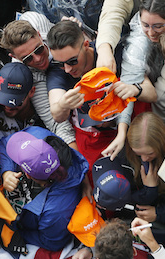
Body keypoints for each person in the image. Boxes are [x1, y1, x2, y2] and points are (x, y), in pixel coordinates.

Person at [47, 19, 141, 163]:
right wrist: (63, 105)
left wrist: (133, 89)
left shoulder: (109, 53)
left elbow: (149, 91)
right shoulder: (57, 72)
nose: (67, 69)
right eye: (60, 63)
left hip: (131, 121)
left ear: (86, 45)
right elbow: (56, 114)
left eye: (72, 61)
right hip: (95, 135)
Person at [0, 127, 87, 251]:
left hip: (36, 224)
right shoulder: (37, 136)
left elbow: (51, 242)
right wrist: (6, 172)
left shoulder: (56, 213)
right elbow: (6, 143)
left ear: (28, 175)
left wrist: (14, 231)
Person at [0, 17, 77, 147]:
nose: (38, 58)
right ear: (14, 57)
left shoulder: (36, 19)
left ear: (40, 35)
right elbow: (57, 124)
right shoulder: (28, 77)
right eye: (28, 58)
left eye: (39, 49)